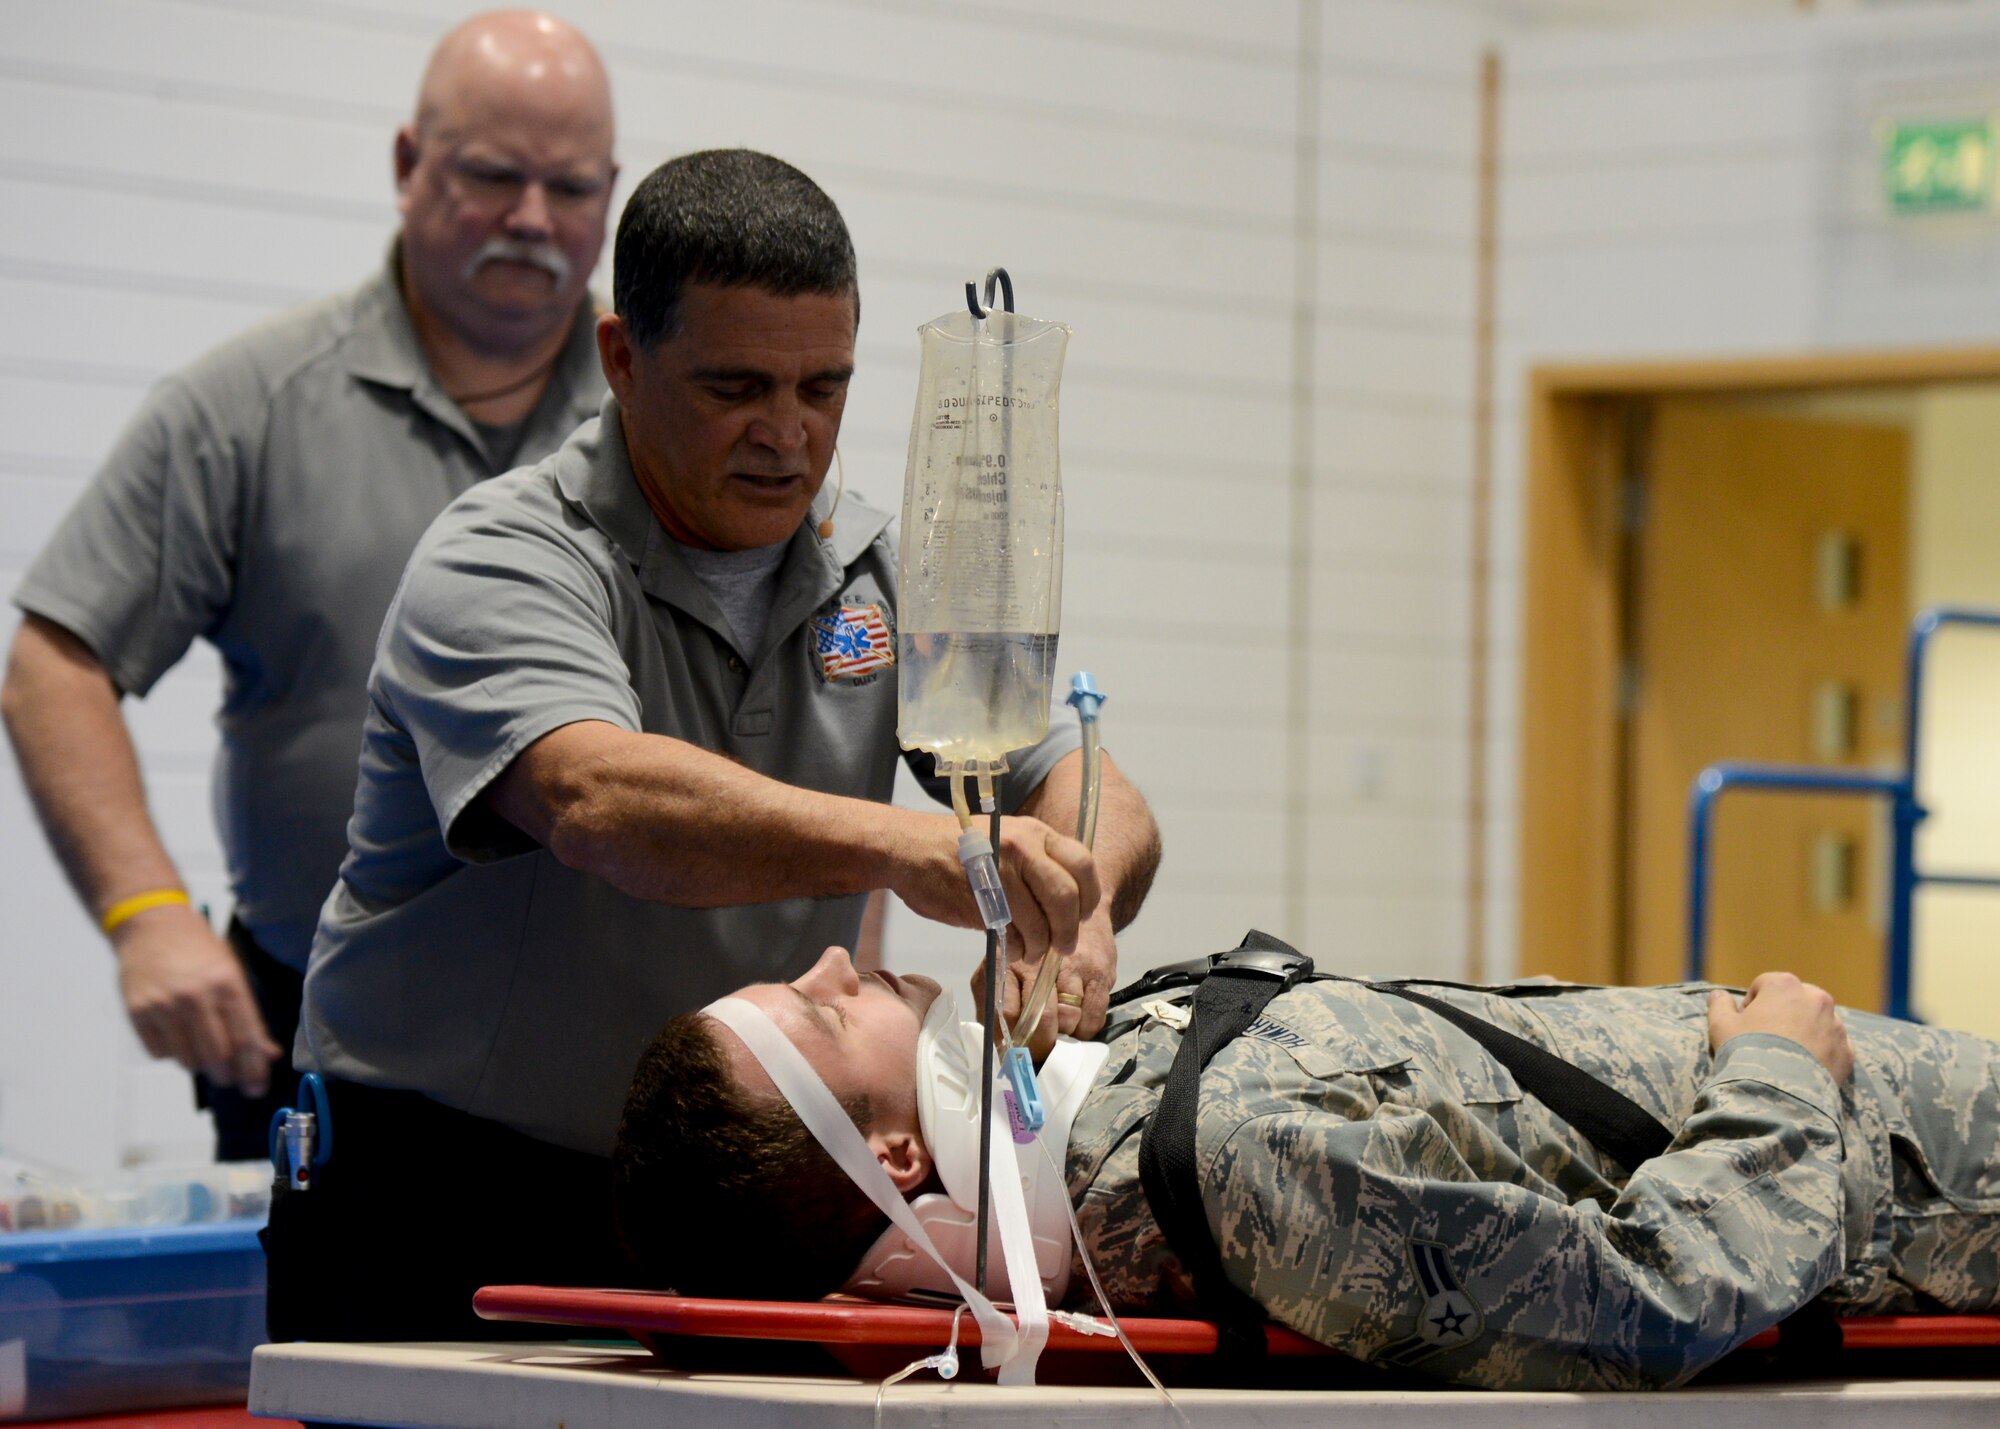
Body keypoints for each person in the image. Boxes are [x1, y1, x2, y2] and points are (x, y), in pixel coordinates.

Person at [267, 147, 1162, 1342]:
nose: (787, 437)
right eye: (736, 388)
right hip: (445, 1193)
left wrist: (1078, 894)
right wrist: (915, 847)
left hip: (742, 1212)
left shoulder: (876, 573)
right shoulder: (503, 557)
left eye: (823, 388)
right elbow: (601, 801)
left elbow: (1080, 777)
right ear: (622, 362)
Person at [0, 10, 617, 1159]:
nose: (533, 219)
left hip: (617, 1068)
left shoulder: (673, 426)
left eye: (572, 188)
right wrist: (145, 917)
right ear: (405, 163)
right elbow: (56, 657)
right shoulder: (250, 405)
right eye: (492, 174)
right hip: (323, 1058)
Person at [613, 943, 2000, 1391]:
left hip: (1891, 1108)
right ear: (902, 1151)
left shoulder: (1120, 1104)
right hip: (1920, 1178)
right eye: (814, 1010)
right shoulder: (1239, 1165)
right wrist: (1776, 1070)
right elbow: (1646, 1302)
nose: (838, 961)